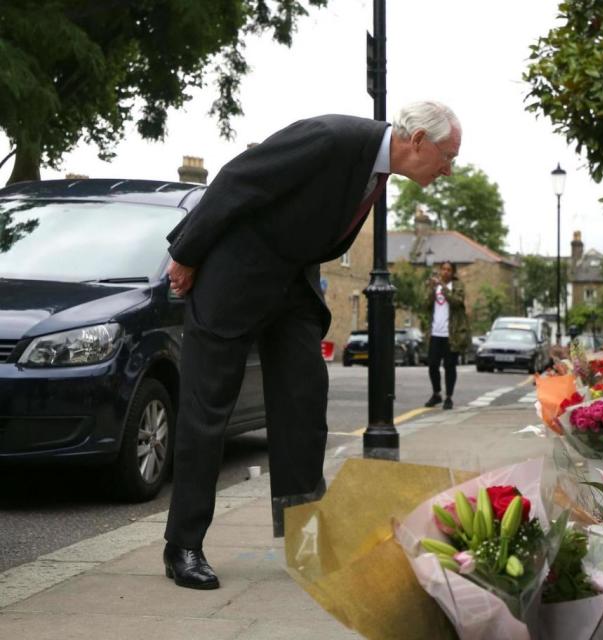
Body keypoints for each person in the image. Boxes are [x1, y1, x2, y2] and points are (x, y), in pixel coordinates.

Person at [162, 101, 461, 590]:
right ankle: (183, 546)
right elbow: (239, 178)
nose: (449, 169)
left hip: (291, 290)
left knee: (303, 406)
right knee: (206, 412)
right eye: (448, 156)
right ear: (419, 142)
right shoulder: (332, 138)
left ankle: (303, 541)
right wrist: (186, 254)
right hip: (234, 282)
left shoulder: (376, 169)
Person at [423, 261, 470, 410]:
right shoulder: (434, 286)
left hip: (452, 334)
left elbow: (457, 302)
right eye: (443, 269)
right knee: (432, 365)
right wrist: (431, 289)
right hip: (435, 333)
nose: (445, 272)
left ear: (453, 272)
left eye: (448, 270)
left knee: (450, 367)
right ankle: (436, 393)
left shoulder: (458, 287)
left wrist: (443, 288)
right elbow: (425, 305)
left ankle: (449, 397)